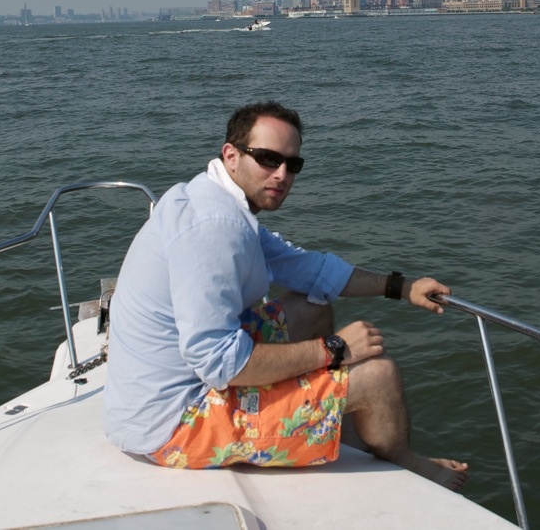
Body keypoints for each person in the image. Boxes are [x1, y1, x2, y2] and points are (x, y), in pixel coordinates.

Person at [103, 100, 468, 489]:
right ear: (231, 155)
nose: (281, 174)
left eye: (293, 164)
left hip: (173, 385)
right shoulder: (213, 228)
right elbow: (221, 364)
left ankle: (344, 430)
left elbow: (307, 269)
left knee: (313, 306)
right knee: (380, 376)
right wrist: (334, 349)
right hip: (174, 423)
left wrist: (401, 287)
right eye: (267, 158)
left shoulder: (217, 201)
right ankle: (406, 463)